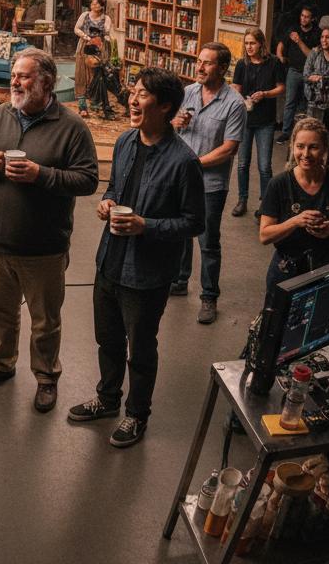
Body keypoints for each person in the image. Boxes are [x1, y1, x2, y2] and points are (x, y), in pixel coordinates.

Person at [69, 67, 204, 449]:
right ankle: (108, 398)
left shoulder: (184, 162)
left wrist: (146, 226)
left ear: (165, 107)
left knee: (140, 349)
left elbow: (194, 223)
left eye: (143, 94)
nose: (132, 99)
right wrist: (107, 201)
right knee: (107, 339)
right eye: (134, 92)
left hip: (146, 274)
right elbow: (115, 186)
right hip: (109, 261)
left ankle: (137, 414)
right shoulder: (126, 141)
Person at [0, 48, 98, 412]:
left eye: (24, 76)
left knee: (45, 321)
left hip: (44, 247)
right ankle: (1, 364)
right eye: (14, 75)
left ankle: (46, 377)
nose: (15, 82)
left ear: (47, 82)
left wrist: (41, 174)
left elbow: (87, 180)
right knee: (0, 310)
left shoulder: (72, 127)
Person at [171, 42, 246, 324]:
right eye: (199, 61)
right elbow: (170, 127)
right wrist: (175, 123)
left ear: (223, 68)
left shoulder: (234, 103)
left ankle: (209, 296)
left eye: (207, 63)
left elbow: (229, 149)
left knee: (208, 241)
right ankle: (180, 281)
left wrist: (193, 164)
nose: (199, 67)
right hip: (182, 179)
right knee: (180, 232)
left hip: (211, 184)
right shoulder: (188, 92)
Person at [259, 117, 329, 294]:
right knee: (277, 311)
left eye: (313, 147)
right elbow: (265, 235)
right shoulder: (279, 184)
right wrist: (295, 221)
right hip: (286, 269)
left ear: (325, 149)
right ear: (292, 147)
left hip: (325, 266)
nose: (305, 154)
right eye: (300, 146)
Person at [231, 27, 285, 218]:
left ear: (261, 43)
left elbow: (281, 88)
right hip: (245, 119)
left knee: (264, 166)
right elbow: (236, 88)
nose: (249, 47)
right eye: (246, 43)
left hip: (265, 120)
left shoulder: (274, 63)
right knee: (242, 163)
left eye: (252, 43)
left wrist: (265, 94)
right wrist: (238, 96)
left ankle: (266, 205)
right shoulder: (241, 64)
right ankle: (242, 200)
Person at [276, 6, 321, 143]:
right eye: (302, 15)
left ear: (312, 18)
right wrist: (280, 56)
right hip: (293, 70)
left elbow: (311, 56)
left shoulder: (317, 34)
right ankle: (285, 132)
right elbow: (281, 44)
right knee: (290, 102)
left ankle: (301, 134)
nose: (303, 19)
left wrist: (299, 41)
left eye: (306, 17)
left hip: (309, 74)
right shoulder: (293, 29)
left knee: (305, 104)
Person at [73, 0, 113, 118]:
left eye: (96, 3)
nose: (93, 5)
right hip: (84, 46)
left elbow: (106, 32)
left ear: (101, 6)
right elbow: (76, 29)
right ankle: (82, 107)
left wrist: (106, 39)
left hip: (98, 48)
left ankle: (95, 103)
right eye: (92, 3)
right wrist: (85, 36)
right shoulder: (85, 15)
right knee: (81, 75)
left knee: (96, 76)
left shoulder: (106, 18)